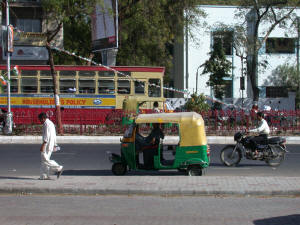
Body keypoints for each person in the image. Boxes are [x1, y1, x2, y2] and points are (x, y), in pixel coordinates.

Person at [38, 112, 63, 180]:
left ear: (43, 118)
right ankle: (44, 176)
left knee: (45, 159)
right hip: (50, 144)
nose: (40, 121)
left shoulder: (47, 124)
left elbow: (47, 135)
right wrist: (55, 144)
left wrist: (43, 144)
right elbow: (54, 135)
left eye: (40, 119)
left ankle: (58, 168)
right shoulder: (50, 123)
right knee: (44, 161)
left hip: (47, 145)